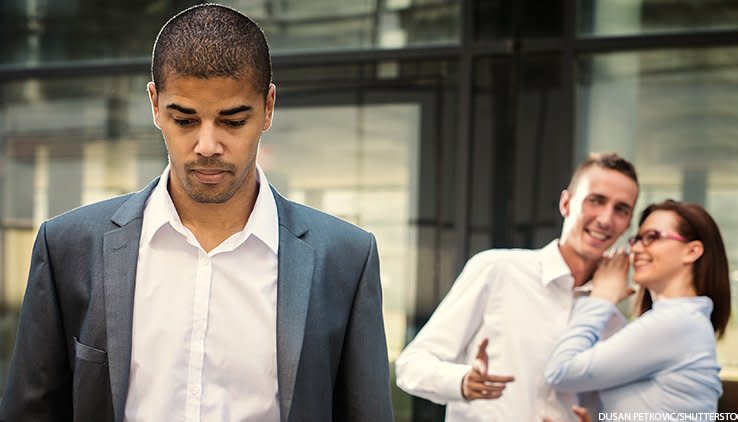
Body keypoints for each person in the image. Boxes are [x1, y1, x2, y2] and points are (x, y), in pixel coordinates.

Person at [0, 5, 393, 422]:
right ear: (154, 105)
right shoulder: (68, 246)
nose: (207, 145)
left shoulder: (346, 258)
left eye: (232, 121)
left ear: (269, 107)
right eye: (185, 119)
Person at [395, 152, 640, 420]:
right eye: (596, 200)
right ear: (566, 204)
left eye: (621, 209)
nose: (606, 219)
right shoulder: (497, 270)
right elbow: (410, 366)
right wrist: (463, 381)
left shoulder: (612, 321)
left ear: (628, 223)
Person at [544, 200, 730, 413]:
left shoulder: (676, 323)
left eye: (652, 237)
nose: (636, 249)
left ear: (692, 251)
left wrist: (600, 299)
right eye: (636, 239)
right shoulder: (681, 321)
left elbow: (560, 372)